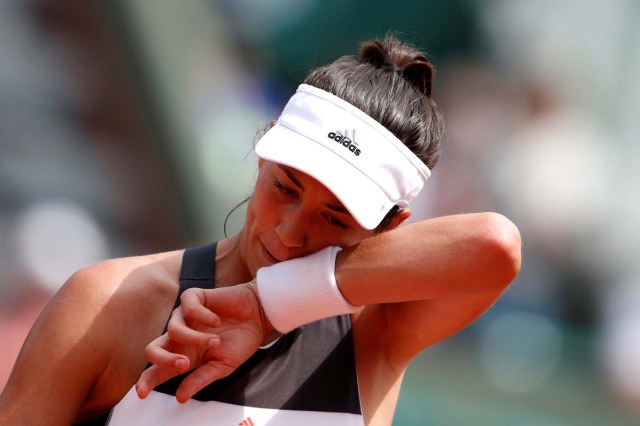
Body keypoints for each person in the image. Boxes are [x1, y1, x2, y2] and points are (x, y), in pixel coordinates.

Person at [0, 35, 521, 426]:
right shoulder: (107, 302)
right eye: (286, 188)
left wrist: (269, 304)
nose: (292, 232)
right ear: (265, 148)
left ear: (391, 226)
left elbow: (495, 245)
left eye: (335, 217)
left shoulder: (378, 330)